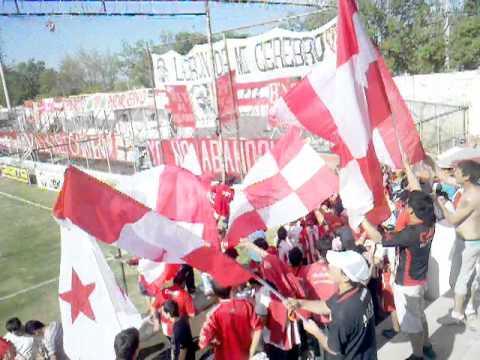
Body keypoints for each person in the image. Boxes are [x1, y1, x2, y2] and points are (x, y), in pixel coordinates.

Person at [362, 190, 436, 360]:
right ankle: (427, 346)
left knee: (412, 323)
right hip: (419, 279)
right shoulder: (431, 223)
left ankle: (417, 355)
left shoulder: (410, 234)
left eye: (407, 206)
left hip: (407, 284)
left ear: (411, 211)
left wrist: (362, 220)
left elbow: (380, 238)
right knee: (419, 315)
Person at [287, 250, 376, 360]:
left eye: (334, 265)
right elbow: (326, 306)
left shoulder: (342, 312)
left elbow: (333, 349)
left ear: (345, 277)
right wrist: (300, 303)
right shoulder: (361, 289)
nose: (329, 266)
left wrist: (316, 332)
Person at [437, 160, 480, 324]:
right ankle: (468, 308)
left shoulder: (471, 196)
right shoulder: (471, 188)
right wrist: (429, 161)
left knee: (461, 279)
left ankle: (457, 314)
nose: (454, 173)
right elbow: (445, 177)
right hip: (467, 242)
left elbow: (454, 219)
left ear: (467, 176)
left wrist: (441, 205)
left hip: (470, 244)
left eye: (457, 171)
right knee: (461, 278)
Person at [199, 282, 263, 360]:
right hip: (244, 356)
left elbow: (203, 342)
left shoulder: (213, 314)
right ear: (232, 289)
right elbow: (258, 329)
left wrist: (213, 343)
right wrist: (251, 352)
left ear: (215, 293)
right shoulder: (246, 305)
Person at [151, 271, 195, 339]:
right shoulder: (186, 295)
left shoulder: (163, 292)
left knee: (174, 346)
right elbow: (192, 314)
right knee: (187, 346)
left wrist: (156, 322)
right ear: (183, 283)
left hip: (166, 328)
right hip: (180, 327)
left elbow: (153, 307)